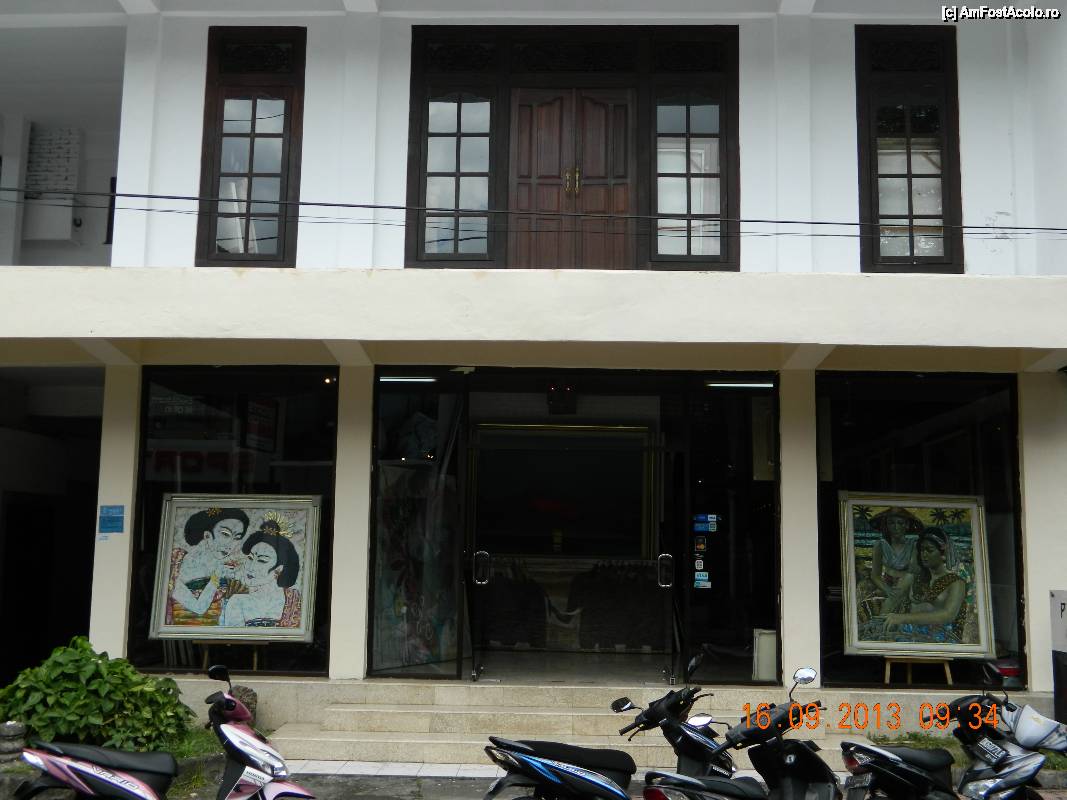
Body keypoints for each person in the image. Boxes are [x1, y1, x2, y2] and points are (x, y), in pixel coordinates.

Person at [885, 527, 967, 643]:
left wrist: (903, 618)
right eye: (922, 550)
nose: (924, 554)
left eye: (930, 550)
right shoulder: (912, 577)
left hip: (940, 640)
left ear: (943, 553)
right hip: (906, 635)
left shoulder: (956, 583)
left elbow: (948, 615)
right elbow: (891, 600)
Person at [167, 507, 250, 623]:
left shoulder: (224, 567)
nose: (231, 544)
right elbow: (199, 608)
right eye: (225, 534)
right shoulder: (177, 561)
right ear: (207, 535)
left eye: (237, 538)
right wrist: (216, 577)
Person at [220, 519, 302, 628]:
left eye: (262, 560)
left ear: (279, 569)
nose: (251, 567)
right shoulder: (237, 602)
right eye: (250, 558)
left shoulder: (295, 600)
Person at [867, 507, 922, 615]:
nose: (896, 527)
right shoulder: (880, 545)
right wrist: (887, 589)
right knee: (869, 604)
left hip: (907, 585)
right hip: (886, 584)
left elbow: (912, 572)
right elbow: (875, 575)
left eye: (900, 523)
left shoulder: (913, 545)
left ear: (906, 525)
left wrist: (901, 588)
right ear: (887, 525)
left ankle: (884, 618)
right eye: (891, 523)